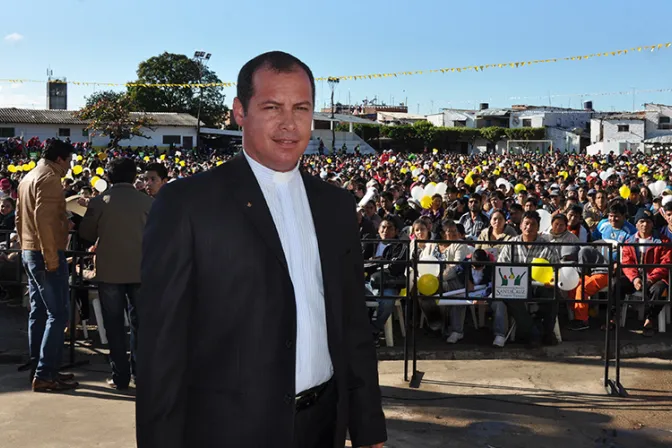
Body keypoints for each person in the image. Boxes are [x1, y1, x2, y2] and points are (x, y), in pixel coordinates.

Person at [137, 51, 386, 448]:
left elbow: (352, 324)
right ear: (240, 111)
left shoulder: (336, 207)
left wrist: (369, 427)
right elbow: (159, 348)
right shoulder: (187, 204)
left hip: (321, 426)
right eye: (272, 107)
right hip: (226, 432)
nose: (289, 123)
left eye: (301, 108)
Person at [79, 158, 154, 390]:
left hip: (109, 271)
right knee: (140, 325)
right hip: (142, 270)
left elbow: (86, 234)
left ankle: (119, 376)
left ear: (108, 177)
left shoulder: (99, 202)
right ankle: (140, 374)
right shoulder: (148, 202)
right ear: (134, 178)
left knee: (113, 326)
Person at [16, 139, 79, 392]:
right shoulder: (50, 179)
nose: (70, 166)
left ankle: (40, 367)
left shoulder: (29, 176)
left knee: (39, 313)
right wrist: (53, 258)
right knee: (58, 314)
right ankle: (45, 373)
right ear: (61, 159)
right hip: (45, 254)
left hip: (30, 250)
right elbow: (45, 222)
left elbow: (21, 218)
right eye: (69, 160)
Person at [497, 211, 560, 346]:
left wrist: (551, 280)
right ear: (521, 226)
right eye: (526, 224)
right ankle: (534, 332)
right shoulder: (511, 244)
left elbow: (555, 269)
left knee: (553, 294)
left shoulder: (547, 246)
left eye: (533, 224)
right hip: (517, 286)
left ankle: (547, 332)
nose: (529, 227)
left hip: (540, 286)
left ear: (538, 228)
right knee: (509, 297)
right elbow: (501, 265)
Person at [619, 209, 671, 336]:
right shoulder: (629, 241)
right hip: (636, 277)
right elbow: (627, 263)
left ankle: (650, 320)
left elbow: (665, 264)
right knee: (617, 284)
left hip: (655, 278)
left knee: (659, 290)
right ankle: (614, 316)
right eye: (641, 221)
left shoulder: (663, 241)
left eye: (648, 222)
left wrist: (650, 279)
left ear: (652, 224)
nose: (645, 225)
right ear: (636, 224)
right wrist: (635, 278)